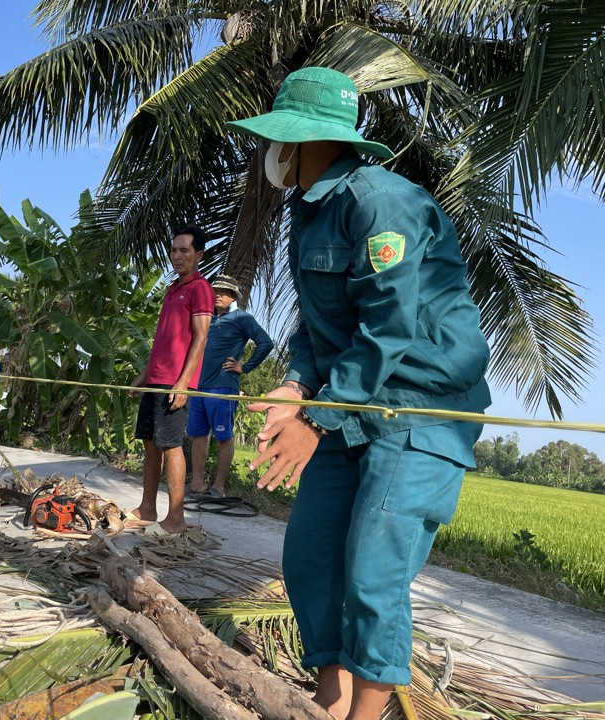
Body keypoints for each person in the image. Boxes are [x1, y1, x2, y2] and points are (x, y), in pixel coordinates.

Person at [226, 67, 490, 720]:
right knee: (310, 559)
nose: (270, 154)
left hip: (420, 413)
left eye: (278, 141)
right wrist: (293, 386)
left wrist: (313, 421)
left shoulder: (382, 202)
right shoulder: (303, 208)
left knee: (373, 572)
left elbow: (387, 326)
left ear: (304, 142)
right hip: (348, 405)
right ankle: (329, 698)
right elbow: (320, 323)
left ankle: (365, 715)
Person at [128, 226, 213, 534]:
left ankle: (176, 518)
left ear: (198, 255)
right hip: (157, 378)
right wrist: (145, 374)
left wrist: (183, 382)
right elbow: (163, 339)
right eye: (174, 251)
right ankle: (147, 508)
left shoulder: (200, 288)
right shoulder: (173, 288)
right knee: (150, 443)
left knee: (171, 445)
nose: (177, 257)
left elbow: (201, 338)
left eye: (184, 251)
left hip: (175, 381)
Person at [186, 274, 273, 497]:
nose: (218, 295)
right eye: (215, 291)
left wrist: (245, 367)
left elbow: (266, 343)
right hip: (198, 387)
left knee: (224, 437)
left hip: (223, 388)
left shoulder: (241, 318)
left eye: (224, 292)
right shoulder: (207, 318)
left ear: (233, 296)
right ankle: (196, 484)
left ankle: (218, 487)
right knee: (198, 435)